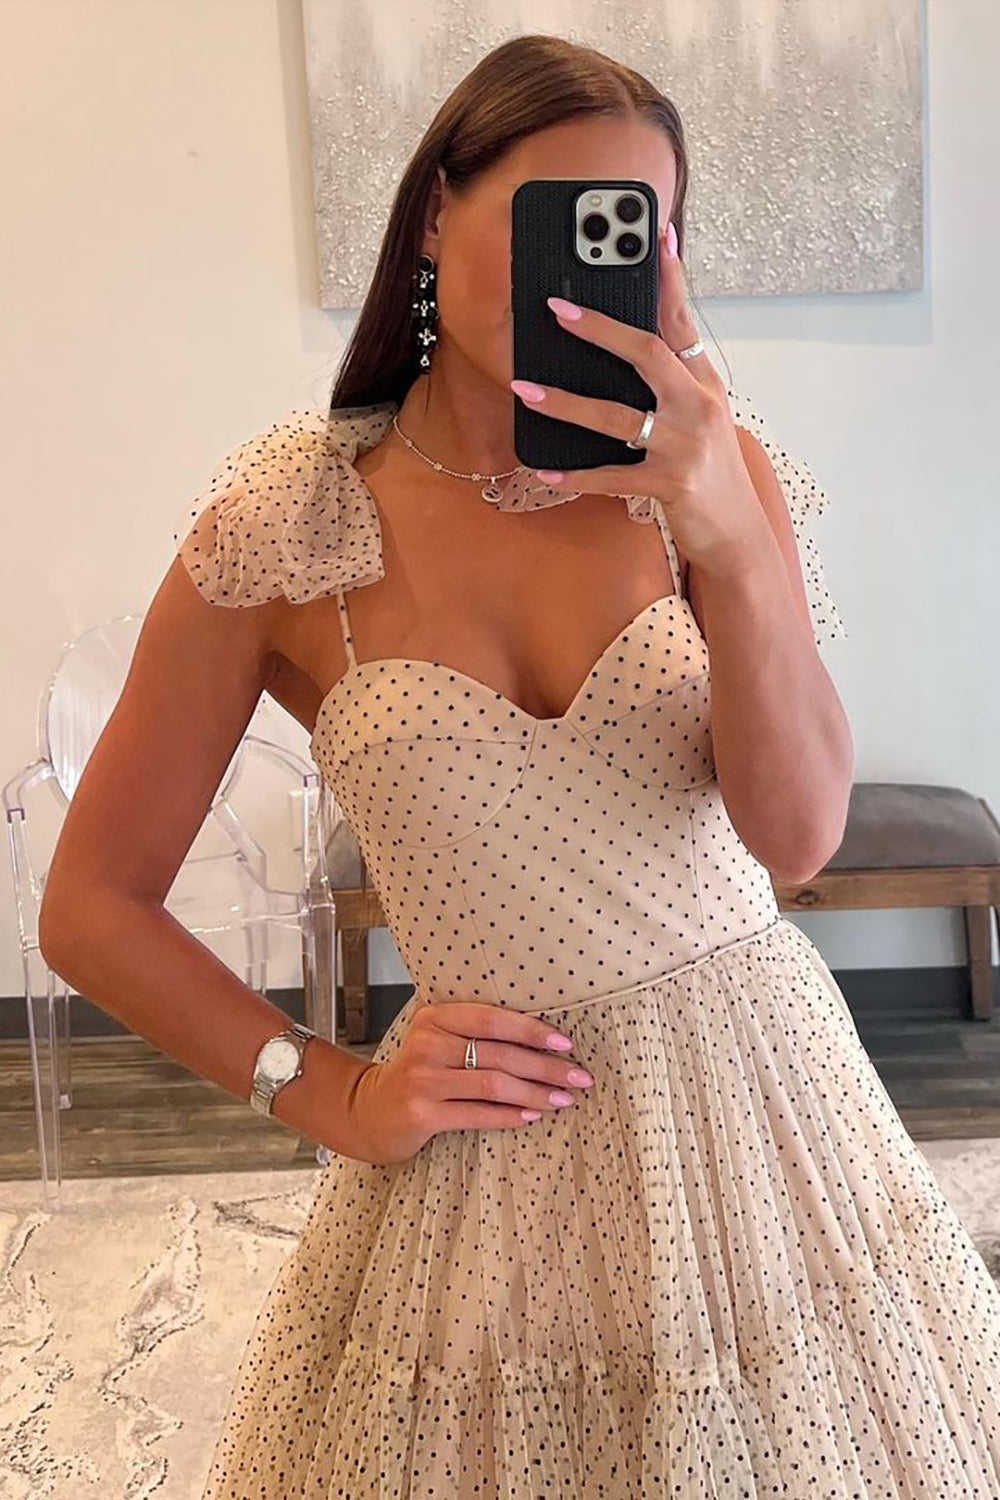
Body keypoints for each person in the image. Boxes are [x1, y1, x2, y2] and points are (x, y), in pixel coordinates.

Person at [40, 33, 1000, 1500]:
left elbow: (799, 834)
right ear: (434, 214)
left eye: (636, 231)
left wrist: (733, 542)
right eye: (556, 216)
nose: (589, 273)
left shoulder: (708, 481)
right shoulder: (291, 527)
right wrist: (325, 1091)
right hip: (487, 1163)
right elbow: (93, 905)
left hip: (758, 1120)